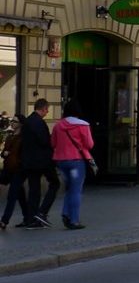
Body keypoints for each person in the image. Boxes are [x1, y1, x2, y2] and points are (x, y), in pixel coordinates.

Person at [51, 99, 93, 230]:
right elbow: (89, 144)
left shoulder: (57, 126)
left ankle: (66, 213)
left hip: (61, 161)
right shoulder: (83, 125)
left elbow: (53, 144)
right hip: (76, 161)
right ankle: (73, 219)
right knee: (76, 190)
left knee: (70, 188)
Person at [21, 99, 58, 228]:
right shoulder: (39, 123)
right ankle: (42, 212)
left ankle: (31, 218)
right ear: (42, 109)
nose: (47, 112)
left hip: (29, 162)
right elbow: (44, 141)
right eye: (47, 110)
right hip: (42, 161)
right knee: (55, 183)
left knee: (34, 190)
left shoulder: (27, 121)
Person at [1, 117, 28, 230]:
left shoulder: (24, 139)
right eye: (12, 121)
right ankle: (28, 217)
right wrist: (4, 153)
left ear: (21, 124)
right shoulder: (10, 136)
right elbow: (3, 153)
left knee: (12, 195)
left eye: (15, 121)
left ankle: (4, 221)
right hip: (8, 169)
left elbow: (24, 155)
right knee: (20, 195)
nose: (12, 123)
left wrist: (14, 158)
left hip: (19, 170)